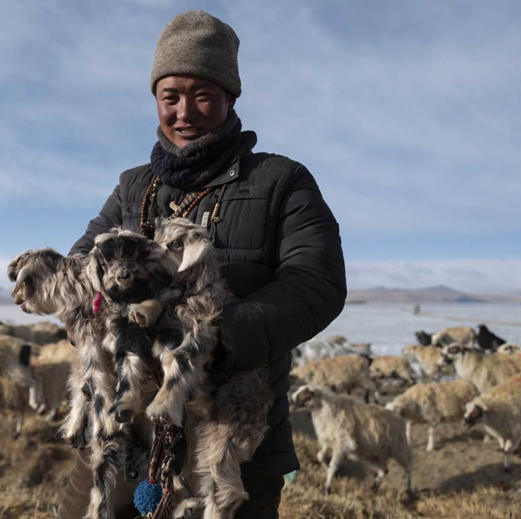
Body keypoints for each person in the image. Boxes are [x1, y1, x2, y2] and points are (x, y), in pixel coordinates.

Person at [59, 10, 346, 519]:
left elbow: (315, 283)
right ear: (156, 101)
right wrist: (109, 324)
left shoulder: (281, 182)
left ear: (230, 98)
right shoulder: (133, 188)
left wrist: (214, 339)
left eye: (203, 95)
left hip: (232, 436)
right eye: (170, 96)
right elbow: (82, 269)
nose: (184, 111)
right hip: (129, 432)